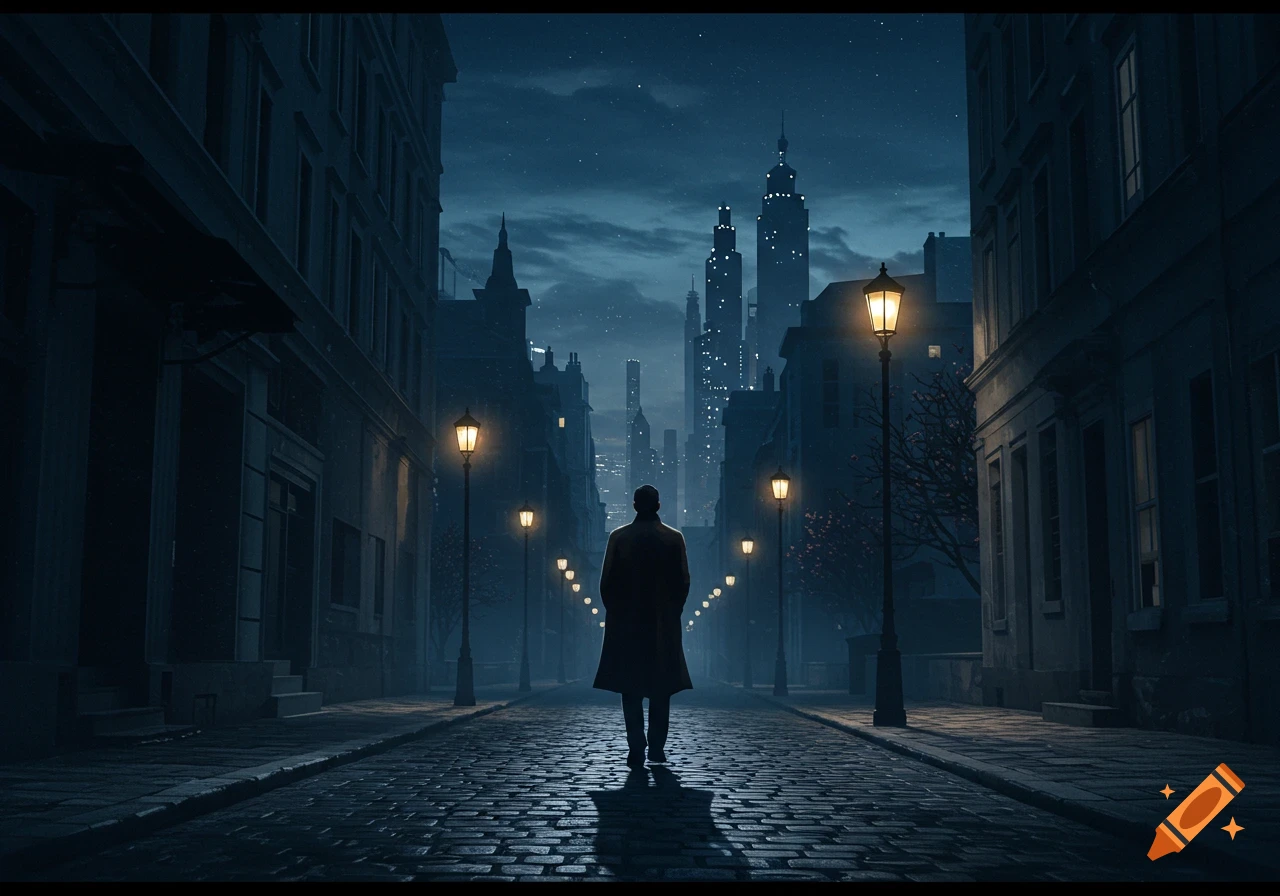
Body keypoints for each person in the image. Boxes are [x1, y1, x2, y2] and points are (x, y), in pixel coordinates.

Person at [593, 484, 693, 768]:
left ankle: (636, 745)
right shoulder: (674, 539)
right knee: (662, 688)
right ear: (658, 506)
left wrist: (617, 614)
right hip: (662, 624)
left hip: (627, 624)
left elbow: (606, 583)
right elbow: (683, 581)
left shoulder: (619, 537)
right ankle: (657, 748)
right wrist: (672, 613)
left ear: (635, 506)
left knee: (630, 687)